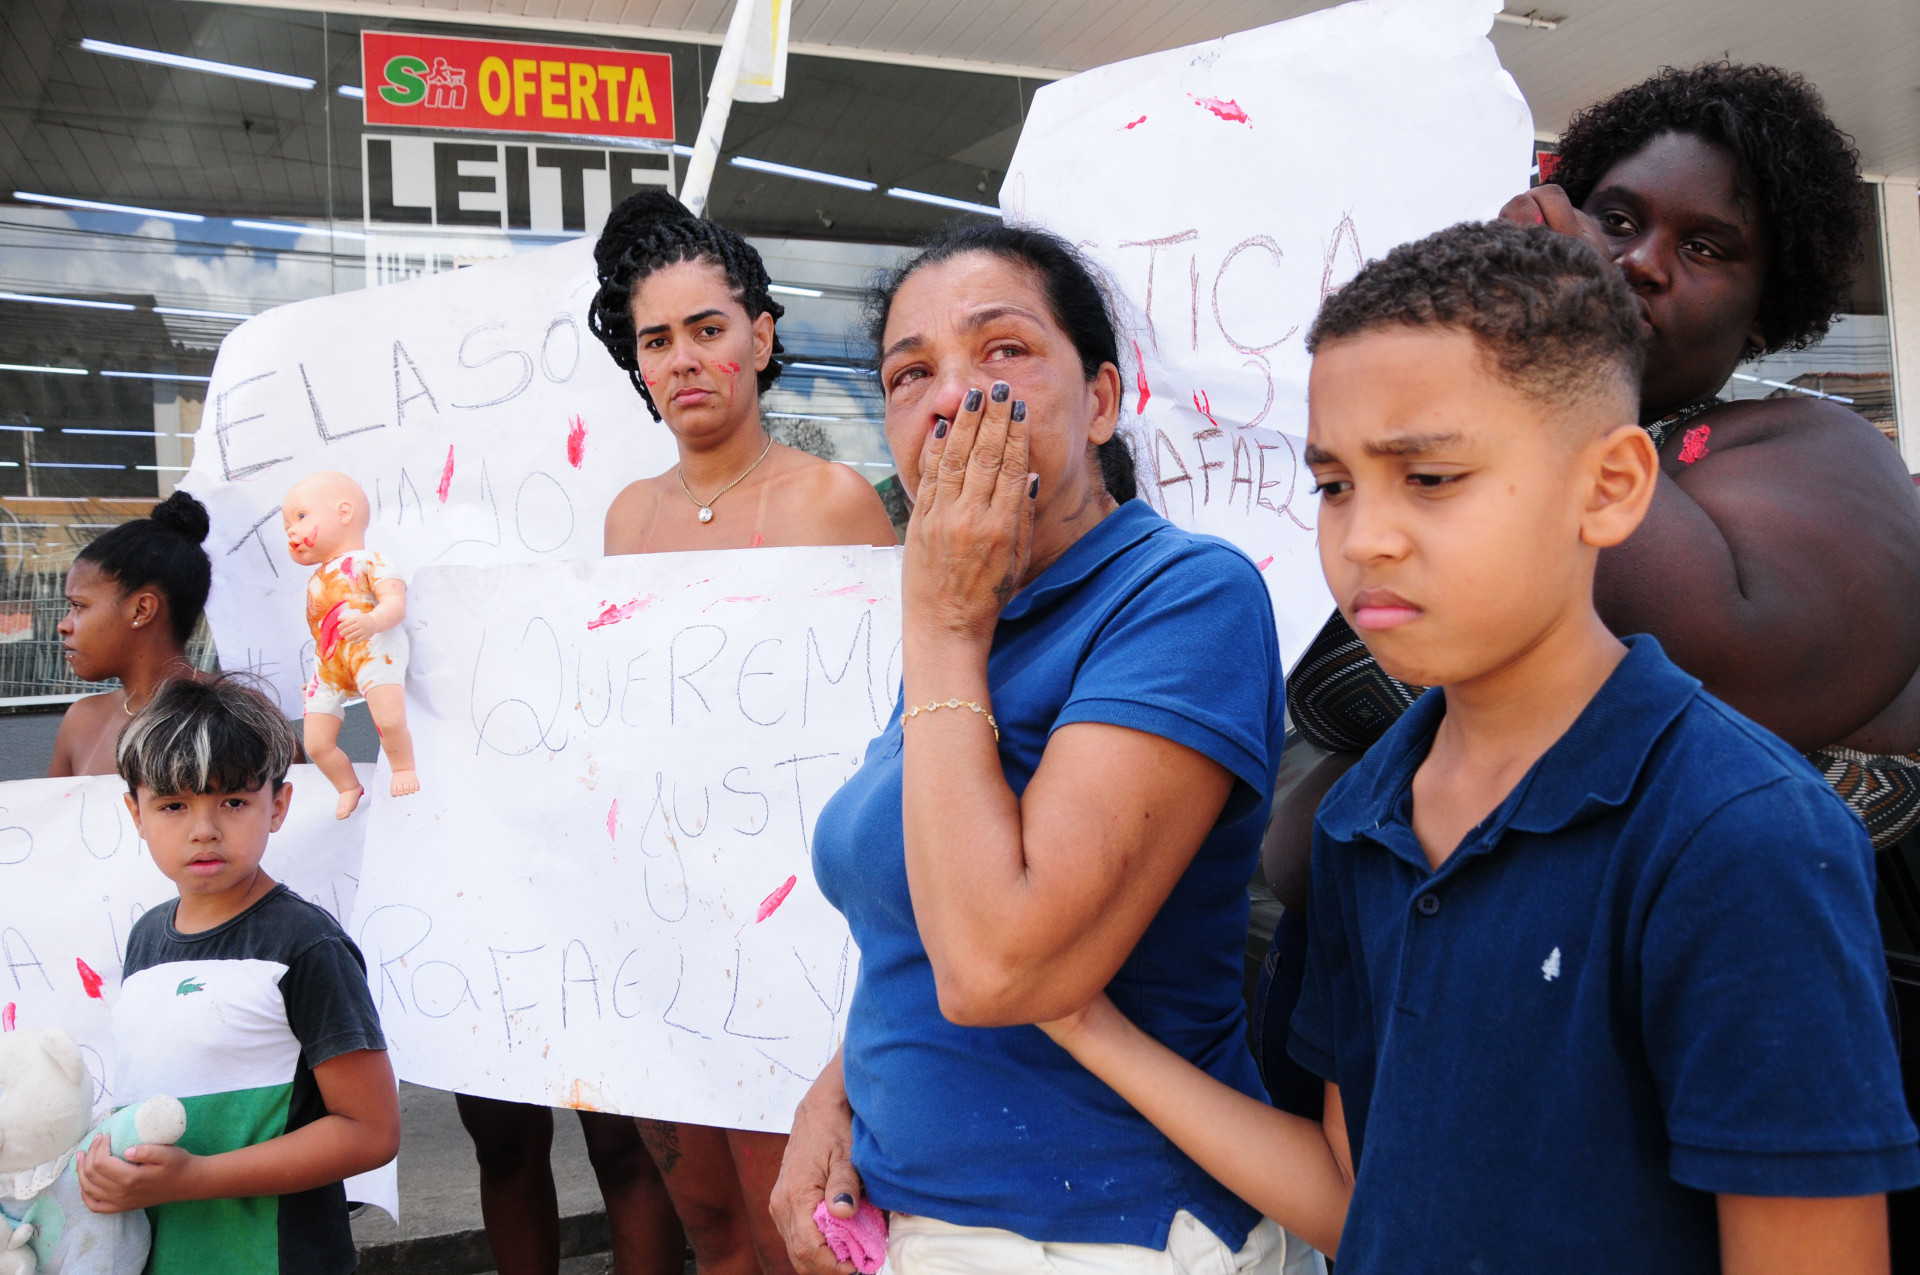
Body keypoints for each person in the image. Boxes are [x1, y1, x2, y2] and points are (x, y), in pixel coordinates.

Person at [1041, 218, 1920, 1272]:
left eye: (1432, 478)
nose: (1365, 535)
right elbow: (1360, 1196)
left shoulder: (1740, 837)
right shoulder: (1365, 815)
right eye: (1334, 484)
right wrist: (1087, 1024)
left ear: (1610, 488)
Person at [767, 222, 1315, 1275]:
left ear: (1102, 400)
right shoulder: (975, 610)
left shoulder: (1181, 597)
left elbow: (999, 966)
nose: (952, 397)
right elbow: (922, 912)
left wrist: (938, 630)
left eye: (1003, 350)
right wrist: (832, 1095)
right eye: (909, 373)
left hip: (1104, 1232)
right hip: (918, 1218)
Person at [1283, 63, 1920, 844]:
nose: (1640, 262)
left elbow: (1726, 659)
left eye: (1705, 248)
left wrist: (1558, 332)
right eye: (1616, 221)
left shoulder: (1812, 446)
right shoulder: (1442, 435)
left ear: (1766, 311)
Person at [78, 674, 401, 1274]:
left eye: (232, 802)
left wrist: (195, 1178)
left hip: (275, 1259)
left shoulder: (306, 945)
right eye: (173, 805)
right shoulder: (148, 937)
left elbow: (371, 1131)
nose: (204, 829)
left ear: (276, 805)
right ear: (136, 813)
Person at [49, 490, 213, 777]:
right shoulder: (82, 721)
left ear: (141, 610)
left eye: (78, 606)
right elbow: (52, 822)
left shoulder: (238, 717)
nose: (64, 625)